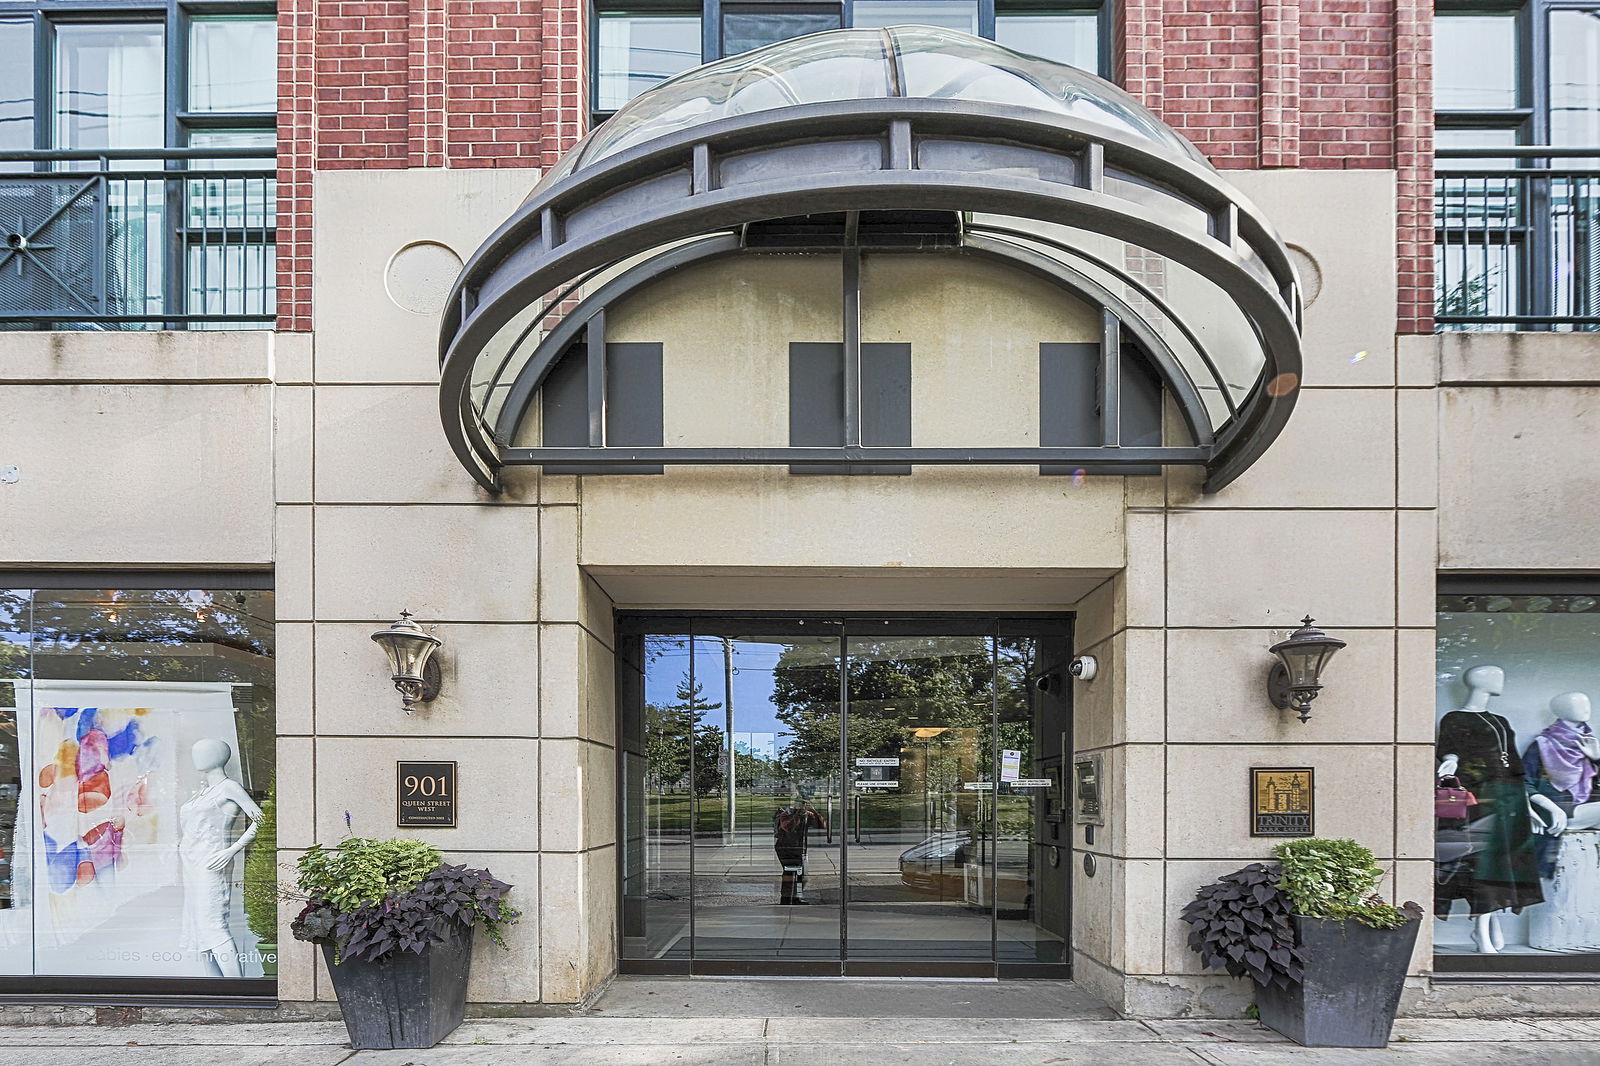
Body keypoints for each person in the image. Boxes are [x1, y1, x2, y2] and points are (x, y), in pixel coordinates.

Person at [773, 792, 826, 905]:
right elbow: (789, 827)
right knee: (790, 872)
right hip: (785, 847)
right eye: (800, 803)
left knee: (801, 874)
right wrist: (798, 814)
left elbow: (821, 825)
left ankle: (796, 897)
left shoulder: (807, 814)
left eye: (805, 803)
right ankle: (786, 898)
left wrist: (814, 811)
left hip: (799, 848)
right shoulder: (786, 813)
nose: (802, 806)